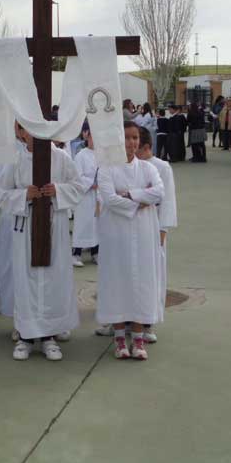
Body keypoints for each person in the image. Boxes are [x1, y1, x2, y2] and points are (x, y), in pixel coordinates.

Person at [0, 123, 82, 361]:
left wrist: (58, 190)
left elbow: (77, 187)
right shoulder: (15, 159)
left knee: (54, 278)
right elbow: (1, 194)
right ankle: (25, 335)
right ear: (21, 132)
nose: (35, 135)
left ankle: (49, 336)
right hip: (26, 227)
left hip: (54, 224)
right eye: (29, 130)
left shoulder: (61, 157)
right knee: (26, 279)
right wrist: (24, 194)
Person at [96, 122, 164, 361]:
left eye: (135, 138)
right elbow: (109, 199)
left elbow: (159, 192)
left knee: (140, 280)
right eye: (126, 138)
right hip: (116, 234)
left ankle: (137, 337)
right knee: (117, 279)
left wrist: (131, 194)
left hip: (144, 233)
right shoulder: (106, 168)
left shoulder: (148, 168)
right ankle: (119, 338)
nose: (131, 143)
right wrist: (141, 201)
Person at [135, 125, 176, 345]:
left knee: (152, 276)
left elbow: (167, 202)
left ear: (146, 147)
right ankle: (123, 320)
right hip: (131, 228)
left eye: (136, 145)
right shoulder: (130, 165)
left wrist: (163, 231)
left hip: (154, 229)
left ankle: (148, 322)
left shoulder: (161, 167)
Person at [71, 124, 99, 267]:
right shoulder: (81, 155)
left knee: (97, 225)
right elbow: (76, 177)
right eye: (93, 136)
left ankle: (95, 253)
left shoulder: (101, 155)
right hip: (85, 196)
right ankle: (76, 254)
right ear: (88, 137)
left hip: (98, 196)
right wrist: (91, 183)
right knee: (83, 224)